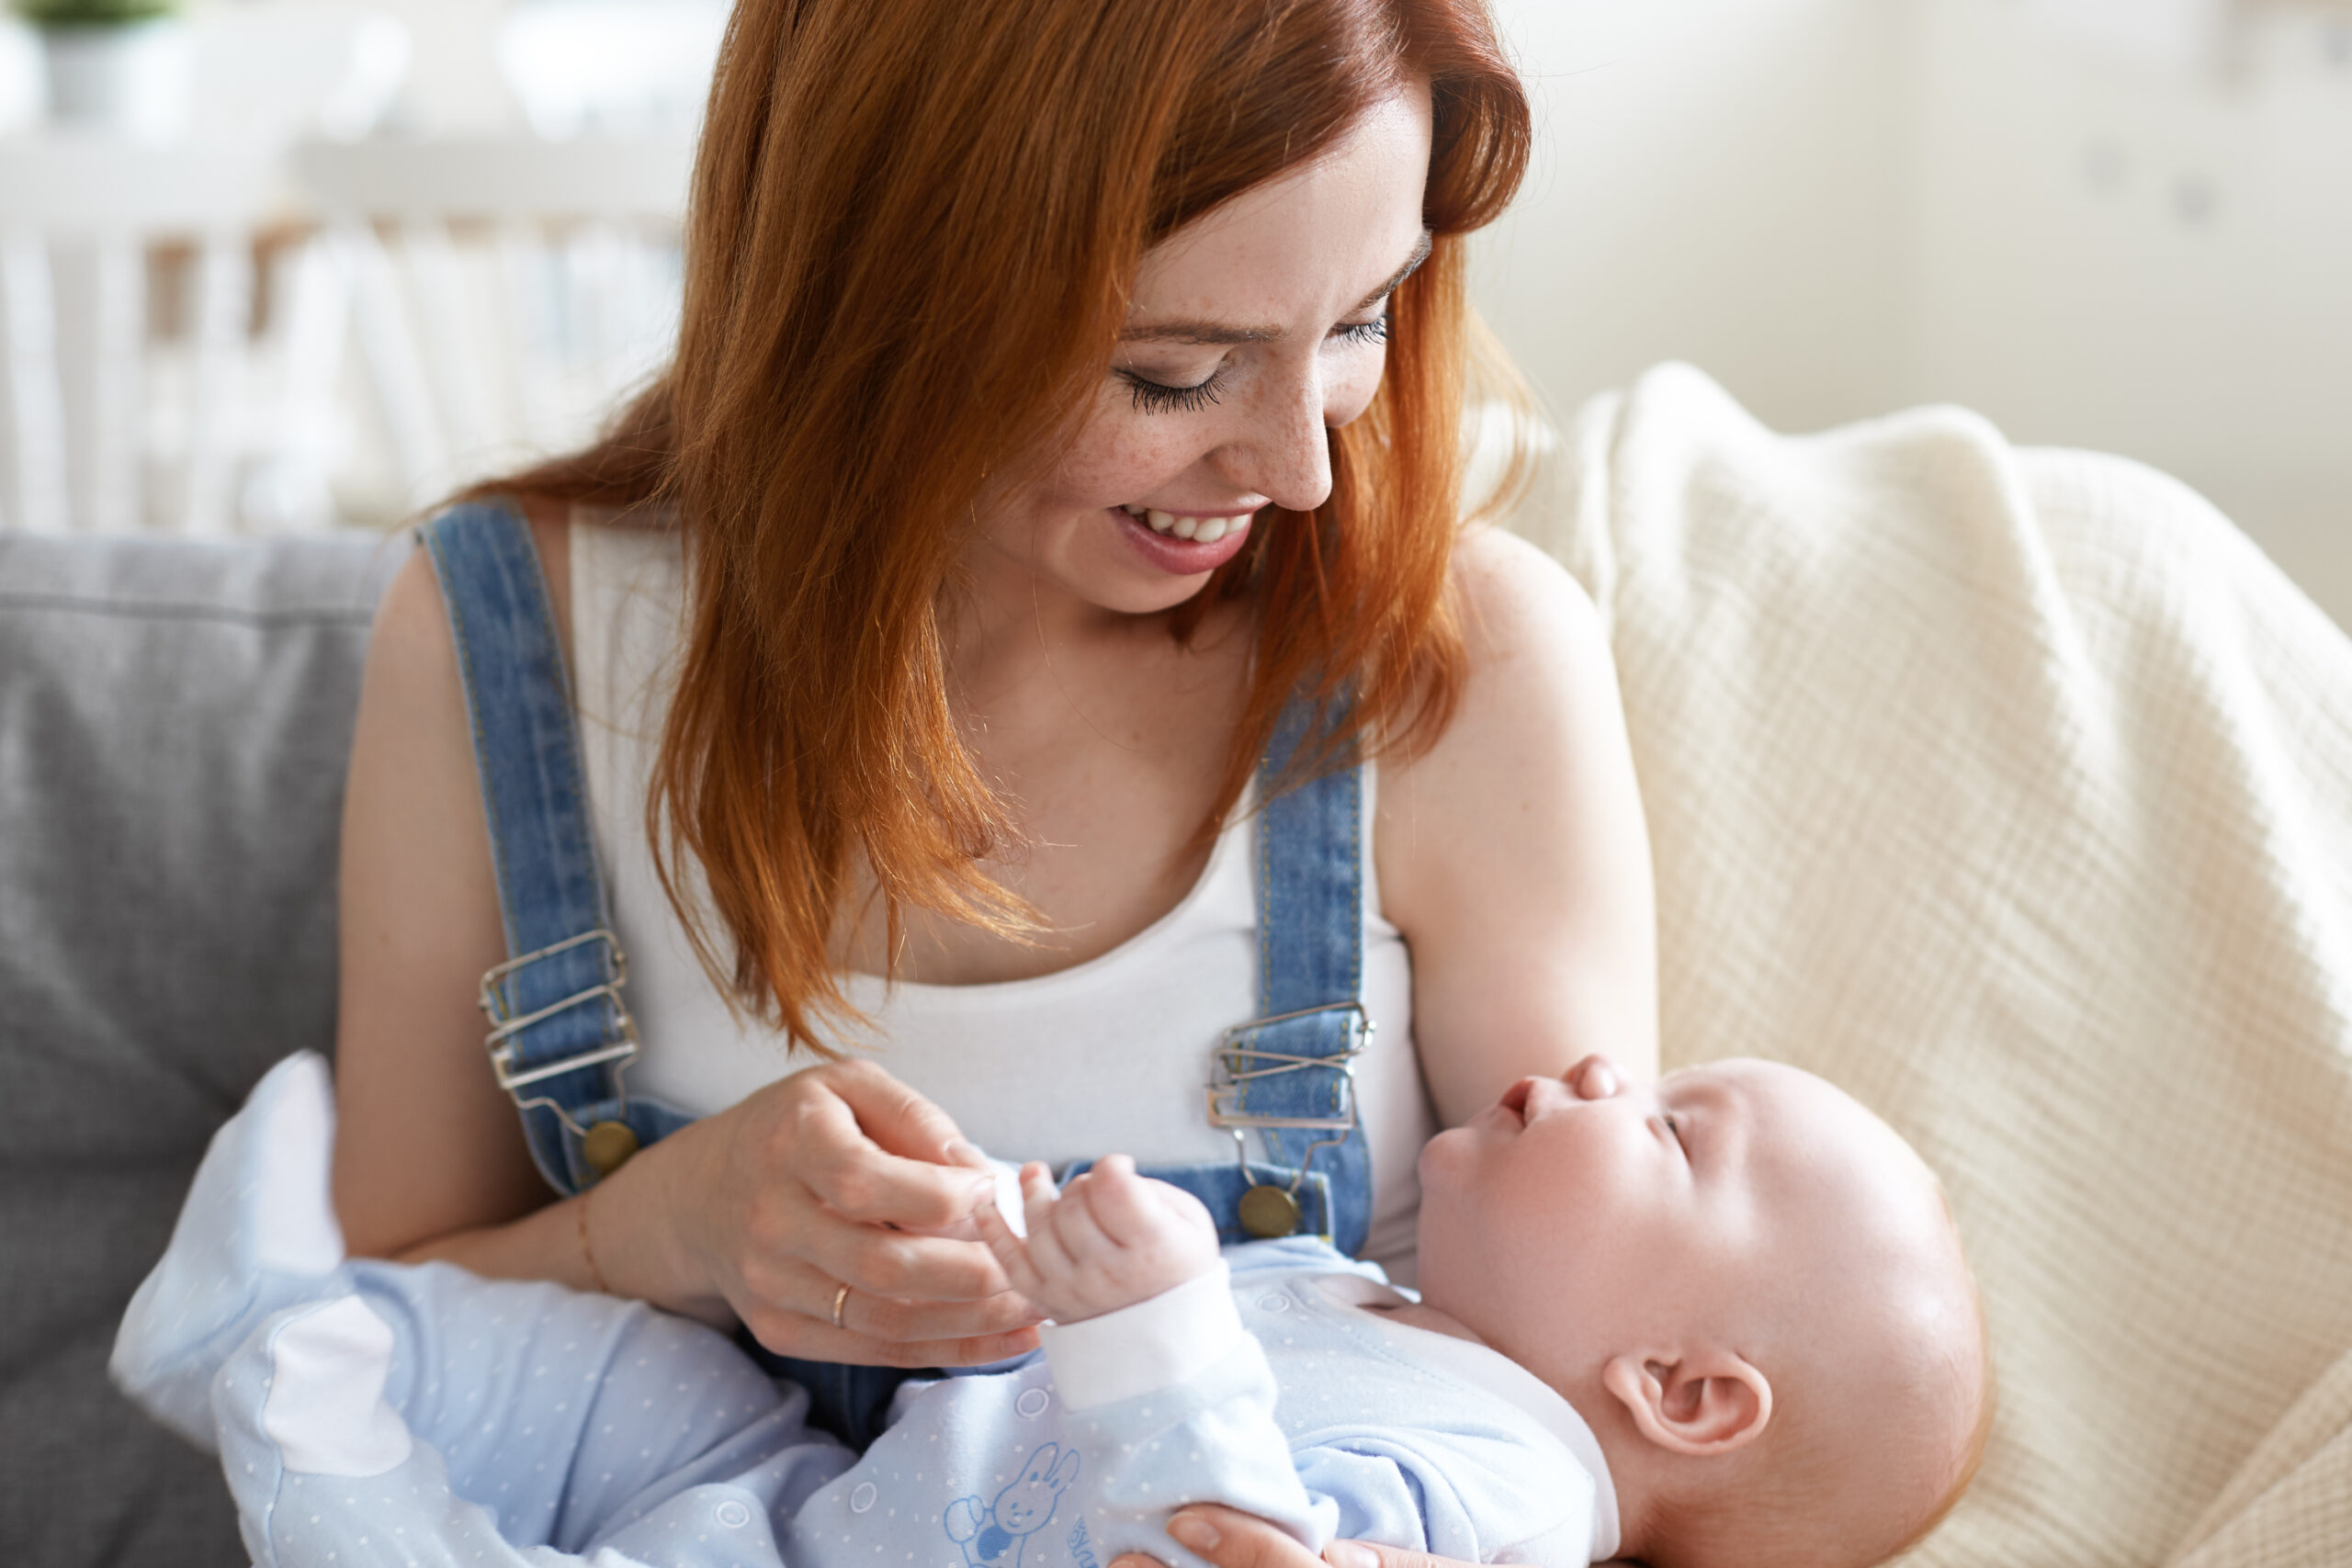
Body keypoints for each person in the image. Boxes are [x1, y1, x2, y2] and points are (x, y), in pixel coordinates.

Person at [335, 0, 1650, 1460]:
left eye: (1359, 319)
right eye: (1174, 370)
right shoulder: (504, 634)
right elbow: (348, 1334)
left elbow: (1619, 1398)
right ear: (881, 282)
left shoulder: (1459, 663)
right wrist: (661, 1229)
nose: (1300, 471)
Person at [115, 1050, 1987, 1568]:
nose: (1589, 1063)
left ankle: (305, 1409)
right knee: (600, 1377)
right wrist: (1018, 1253)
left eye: (1667, 1124)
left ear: (1677, 1386)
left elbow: (1254, 1550)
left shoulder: (1497, 1482)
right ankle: (301, 1325)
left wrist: (1149, 1333)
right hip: (838, 1487)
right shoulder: (1394, 1309)